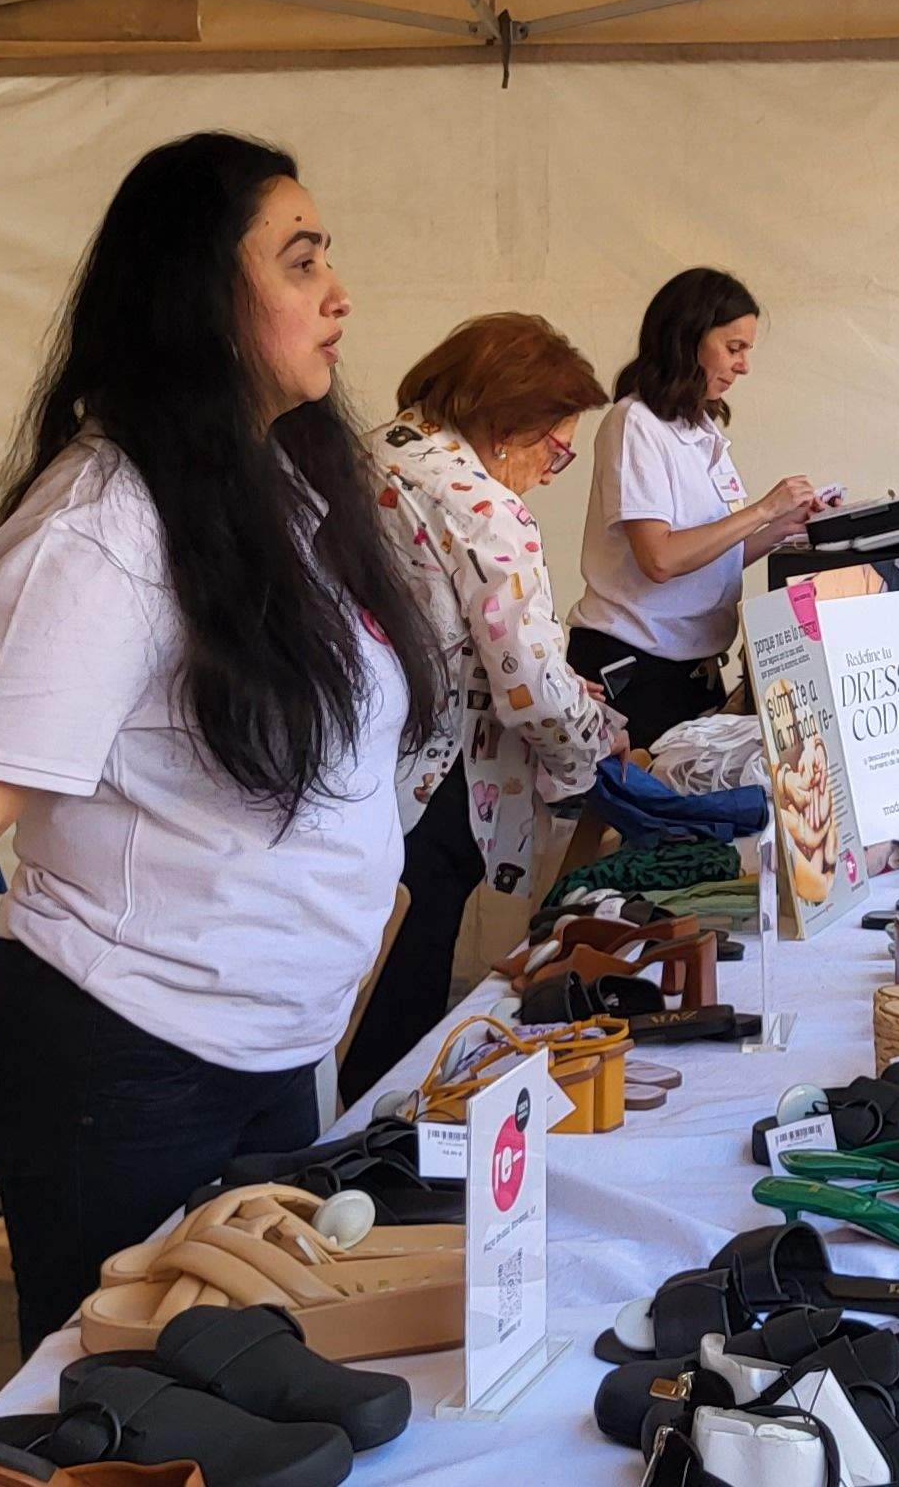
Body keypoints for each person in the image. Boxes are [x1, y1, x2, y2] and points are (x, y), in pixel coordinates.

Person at [0, 132, 443, 1352]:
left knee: (259, 1399)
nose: (337, 294)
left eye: (325, 259)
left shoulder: (274, 492)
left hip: (266, 1055)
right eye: (297, 263)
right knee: (127, 1414)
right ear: (198, 298)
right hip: (123, 1067)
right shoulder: (97, 536)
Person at [339, 313, 627, 1100]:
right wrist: (595, 744)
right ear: (507, 425)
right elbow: (529, 684)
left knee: (352, 987)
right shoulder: (482, 505)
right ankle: (378, 1154)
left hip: (352, 763)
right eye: (556, 448)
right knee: (402, 993)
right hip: (430, 783)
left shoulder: (372, 452)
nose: (554, 468)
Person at [570, 267, 822, 747]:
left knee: (694, 813)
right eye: (734, 348)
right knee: (634, 817)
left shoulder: (700, 430)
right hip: (634, 663)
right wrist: (765, 509)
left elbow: (713, 556)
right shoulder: (635, 424)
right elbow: (660, 559)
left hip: (693, 666)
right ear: (687, 339)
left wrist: (789, 527)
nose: (743, 366)